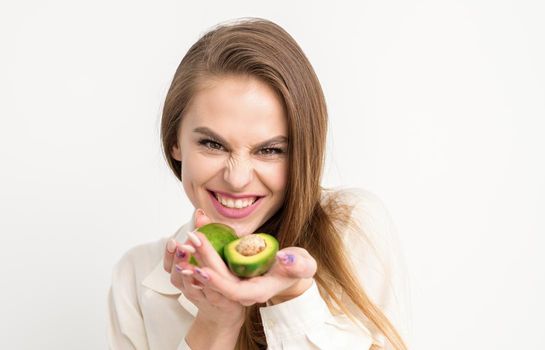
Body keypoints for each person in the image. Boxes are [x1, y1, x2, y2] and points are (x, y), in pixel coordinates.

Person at [107, 18, 410, 350]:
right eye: (212, 144)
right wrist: (215, 322)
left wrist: (292, 298)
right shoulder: (137, 278)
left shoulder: (353, 230)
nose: (237, 180)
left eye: (270, 150)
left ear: (302, 153)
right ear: (175, 142)